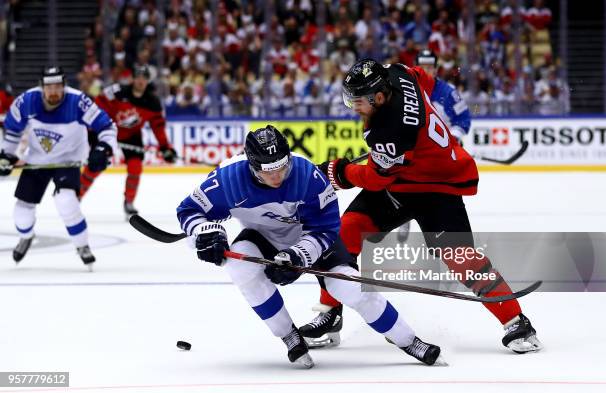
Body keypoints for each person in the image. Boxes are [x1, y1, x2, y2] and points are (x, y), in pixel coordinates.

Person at [300, 59, 542, 354]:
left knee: (459, 257)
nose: (354, 108)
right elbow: (429, 81)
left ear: (378, 97)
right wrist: (430, 122)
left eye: (358, 102)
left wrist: (340, 173)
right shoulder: (397, 72)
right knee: (345, 232)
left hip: (435, 187)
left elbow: (375, 179)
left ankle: (517, 322)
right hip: (402, 182)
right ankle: (330, 312)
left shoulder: (392, 129)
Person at [175, 125, 444, 368]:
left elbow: (326, 229)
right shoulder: (228, 179)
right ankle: (290, 336)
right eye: (268, 171)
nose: (278, 176)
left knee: (348, 287)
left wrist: (299, 255)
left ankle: (408, 340)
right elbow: (189, 211)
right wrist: (204, 232)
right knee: (239, 268)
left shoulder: (308, 176)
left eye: (282, 166)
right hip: (263, 236)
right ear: (252, 166)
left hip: (312, 237)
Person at [0, 66, 118, 269]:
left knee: (66, 201)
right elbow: (12, 131)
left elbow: (107, 126)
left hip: (69, 159)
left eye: (58, 86)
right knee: (22, 211)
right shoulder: (27, 101)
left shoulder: (77, 102)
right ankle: (26, 236)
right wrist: (6, 156)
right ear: (41, 87)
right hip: (37, 160)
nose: (54, 92)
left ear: (64, 86)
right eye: (49, 87)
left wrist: (102, 148)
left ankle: (82, 246)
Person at [79, 65, 177, 217]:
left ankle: (129, 202)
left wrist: (165, 147)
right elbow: (98, 104)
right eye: (137, 77)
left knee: (135, 167)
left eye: (144, 78)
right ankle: (76, 197)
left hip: (131, 135)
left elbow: (158, 127)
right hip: (107, 131)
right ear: (132, 78)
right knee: (96, 164)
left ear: (148, 80)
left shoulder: (153, 102)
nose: (140, 81)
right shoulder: (117, 91)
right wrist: (97, 128)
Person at [396, 50, 472, 242]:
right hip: (413, 150)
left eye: (430, 66)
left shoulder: (448, 93)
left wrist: (455, 135)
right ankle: (404, 216)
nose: (427, 70)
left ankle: (441, 231)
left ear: (437, 68)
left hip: (439, 154)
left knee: (439, 193)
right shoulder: (404, 91)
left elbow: (462, 118)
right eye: (423, 66)